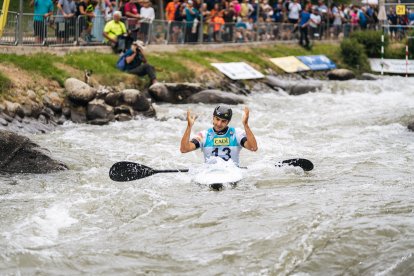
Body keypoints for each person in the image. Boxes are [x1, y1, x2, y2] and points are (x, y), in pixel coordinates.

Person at [180, 106, 258, 166]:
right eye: (217, 119)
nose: (219, 124)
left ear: (228, 122)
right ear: (213, 118)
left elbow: (253, 147)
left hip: (231, 173)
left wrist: (246, 125)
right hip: (211, 174)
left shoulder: (236, 134)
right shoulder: (204, 135)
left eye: (223, 121)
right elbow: (184, 149)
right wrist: (189, 127)